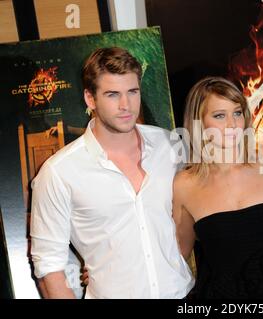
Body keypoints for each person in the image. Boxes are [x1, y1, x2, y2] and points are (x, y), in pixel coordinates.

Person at [30, 47, 194, 299]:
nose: (126, 105)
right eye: (112, 94)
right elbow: (49, 267)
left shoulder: (169, 146)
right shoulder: (59, 173)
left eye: (132, 92)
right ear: (90, 98)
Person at [172, 76, 263, 298]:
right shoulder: (184, 185)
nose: (233, 124)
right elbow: (178, 255)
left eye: (237, 113)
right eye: (219, 115)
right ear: (199, 122)